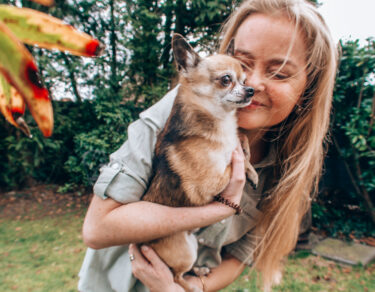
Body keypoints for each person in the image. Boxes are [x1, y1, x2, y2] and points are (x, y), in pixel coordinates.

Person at [78, 0, 338, 291]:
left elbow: (239, 258)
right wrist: (220, 209)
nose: (251, 82)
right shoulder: (175, 114)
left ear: (308, 88)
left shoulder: (290, 167)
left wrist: (188, 288)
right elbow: (98, 229)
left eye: (278, 72)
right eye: (243, 63)